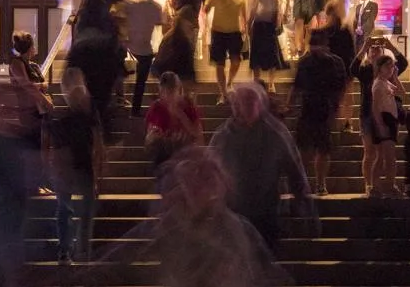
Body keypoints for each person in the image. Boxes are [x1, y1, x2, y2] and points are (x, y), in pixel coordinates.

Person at [146, 146, 286, 287]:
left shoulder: (239, 227)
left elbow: (271, 274)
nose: (210, 190)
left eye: (212, 180)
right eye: (200, 182)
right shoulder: (169, 226)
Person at [209, 81, 311, 251]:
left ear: (260, 103)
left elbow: (295, 170)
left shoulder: (275, 133)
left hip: (266, 212)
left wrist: (305, 206)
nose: (244, 107)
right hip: (234, 213)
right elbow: (209, 172)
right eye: (240, 102)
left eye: (250, 101)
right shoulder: (223, 136)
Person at [46, 69, 105, 263]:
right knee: (73, 210)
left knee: (67, 209)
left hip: (73, 164)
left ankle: (70, 251)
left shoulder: (76, 108)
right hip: (74, 164)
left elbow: (97, 141)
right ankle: (77, 251)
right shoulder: (80, 108)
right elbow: (97, 141)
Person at [289, 35, 347, 196]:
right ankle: (308, 183)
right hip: (313, 109)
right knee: (309, 148)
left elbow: (341, 88)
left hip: (322, 109)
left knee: (320, 148)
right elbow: (297, 86)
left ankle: (318, 183)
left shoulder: (332, 62)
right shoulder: (308, 62)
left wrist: (339, 109)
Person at [66, 0, 125, 123]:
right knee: (102, 96)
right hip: (104, 59)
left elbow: (76, 40)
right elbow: (114, 37)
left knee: (87, 94)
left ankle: (88, 124)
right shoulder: (105, 17)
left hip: (84, 59)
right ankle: (100, 124)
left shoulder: (82, 17)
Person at [203, 0, 249, 100]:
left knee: (236, 61)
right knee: (219, 63)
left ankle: (229, 82)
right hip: (218, 32)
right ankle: (223, 92)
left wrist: (245, 29)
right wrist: (205, 27)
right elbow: (206, 9)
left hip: (234, 32)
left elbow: (244, 16)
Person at [145, 72, 203, 168]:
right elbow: (149, 138)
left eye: (171, 92)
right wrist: (154, 135)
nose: (168, 97)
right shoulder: (157, 107)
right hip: (164, 152)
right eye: (164, 92)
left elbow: (198, 134)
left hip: (185, 152)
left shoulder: (188, 107)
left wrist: (181, 115)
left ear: (179, 91)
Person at [123, 0, 165, 113]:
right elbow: (159, 24)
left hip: (130, 45)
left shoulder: (133, 6)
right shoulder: (156, 7)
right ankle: (136, 110)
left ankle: (123, 101)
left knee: (134, 80)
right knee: (141, 81)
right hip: (145, 48)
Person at [366, 55, 403, 197]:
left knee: (386, 155)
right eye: (387, 66)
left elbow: (401, 91)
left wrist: (395, 76)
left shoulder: (385, 82)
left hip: (390, 119)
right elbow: (375, 107)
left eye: (392, 66)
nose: (390, 69)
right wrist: (380, 124)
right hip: (383, 119)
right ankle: (383, 185)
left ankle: (386, 185)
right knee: (385, 156)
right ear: (379, 67)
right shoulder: (378, 84)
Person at [246, 0, 287, 90]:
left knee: (272, 55)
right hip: (260, 26)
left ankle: (271, 83)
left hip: (268, 27)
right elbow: (253, 12)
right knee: (257, 56)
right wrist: (249, 27)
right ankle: (258, 81)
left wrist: (277, 24)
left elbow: (277, 11)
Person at [155, 5, 199, 85]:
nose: (192, 32)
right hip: (173, 78)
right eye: (190, 27)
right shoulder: (181, 41)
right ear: (184, 23)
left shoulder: (170, 36)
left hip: (166, 76)